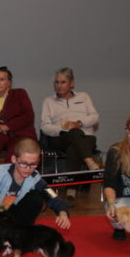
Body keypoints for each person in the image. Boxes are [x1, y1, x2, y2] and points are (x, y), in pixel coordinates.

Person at [0, 138, 70, 253]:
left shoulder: (35, 178)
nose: (28, 169)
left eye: (33, 164)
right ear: (14, 159)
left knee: (35, 198)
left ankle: (21, 235)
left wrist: (62, 212)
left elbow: (51, 195)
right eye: (24, 163)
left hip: (10, 213)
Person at [40, 67, 100, 205]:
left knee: (74, 147)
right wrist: (61, 129)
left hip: (85, 136)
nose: (59, 85)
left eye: (63, 82)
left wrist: (79, 123)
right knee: (73, 133)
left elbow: (95, 117)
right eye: (57, 82)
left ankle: (71, 190)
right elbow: (44, 126)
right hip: (60, 137)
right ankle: (90, 162)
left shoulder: (84, 97)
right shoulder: (49, 101)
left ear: (71, 83)